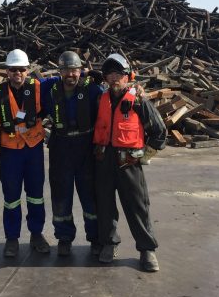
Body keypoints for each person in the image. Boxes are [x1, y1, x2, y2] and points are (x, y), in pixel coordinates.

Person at [93, 53, 167, 271]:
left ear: (127, 77)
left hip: (129, 164)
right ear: (105, 78)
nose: (114, 78)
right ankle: (109, 243)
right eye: (110, 74)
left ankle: (147, 250)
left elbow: (159, 132)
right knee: (105, 206)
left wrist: (144, 156)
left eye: (119, 74)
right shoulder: (100, 99)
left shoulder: (138, 101)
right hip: (104, 161)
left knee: (137, 206)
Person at [0, 49, 58, 257]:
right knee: (11, 197)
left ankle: (36, 234)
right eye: (13, 70)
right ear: (7, 72)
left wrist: (85, 75)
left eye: (21, 69)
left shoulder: (39, 87)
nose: (17, 73)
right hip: (10, 152)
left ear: (27, 70)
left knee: (36, 195)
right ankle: (12, 238)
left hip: (33, 149)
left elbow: (62, 77)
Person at [44, 51, 103, 256]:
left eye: (74, 70)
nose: (70, 74)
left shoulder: (94, 89)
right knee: (61, 195)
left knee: (90, 196)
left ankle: (95, 238)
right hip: (60, 146)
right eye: (66, 70)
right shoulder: (49, 89)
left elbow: (109, 101)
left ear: (81, 71)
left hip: (85, 146)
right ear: (60, 71)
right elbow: (28, 85)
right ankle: (64, 237)